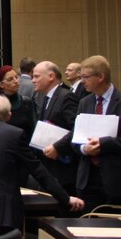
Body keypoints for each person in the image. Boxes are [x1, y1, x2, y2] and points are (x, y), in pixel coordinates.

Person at [0, 94, 83, 238]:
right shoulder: (15, 134)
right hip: (1, 211)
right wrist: (66, 198)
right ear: (9, 116)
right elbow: (38, 170)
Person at [56, 55, 121, 210]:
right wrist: (84, 148)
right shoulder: (84, 102)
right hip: (87, 179)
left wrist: (103, 143)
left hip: (115, 178)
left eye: (85, 77)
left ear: (101, 77)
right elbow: (75, 138)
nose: (82, 81)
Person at [34, 61, 80, 196]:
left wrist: (57, 147)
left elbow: (77, 129)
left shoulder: (66, 97)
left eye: (37, 76)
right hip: (49, 166)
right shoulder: (46, 98)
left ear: (51, 76)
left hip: (64, 168)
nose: (33, 80)